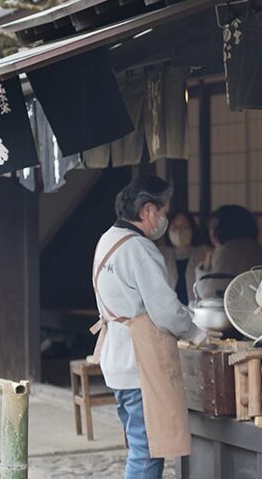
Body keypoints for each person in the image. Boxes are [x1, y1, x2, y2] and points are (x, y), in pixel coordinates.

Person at [91, 174, 205, 479]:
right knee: (146, 452)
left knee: (139, 446)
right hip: (138, 362)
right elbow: (165, 310)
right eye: (164, 213)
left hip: (117, 358)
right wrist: (197, 333)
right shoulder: (139, 248)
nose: (164, 220)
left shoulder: (107, 239)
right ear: (147, 211)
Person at [195, 204, 262, 299]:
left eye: (215, 227)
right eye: (210, 228)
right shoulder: (257, 248)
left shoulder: (228, 252)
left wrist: (205, 268)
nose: (212, 233)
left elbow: (210, 294)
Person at [159, 211, 211, 305]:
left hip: (198, 309)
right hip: (169, 310)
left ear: (192, 229)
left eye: (184, 227)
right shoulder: (160, 254)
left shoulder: (205, 253)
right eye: (175, 227)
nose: (179, 231)